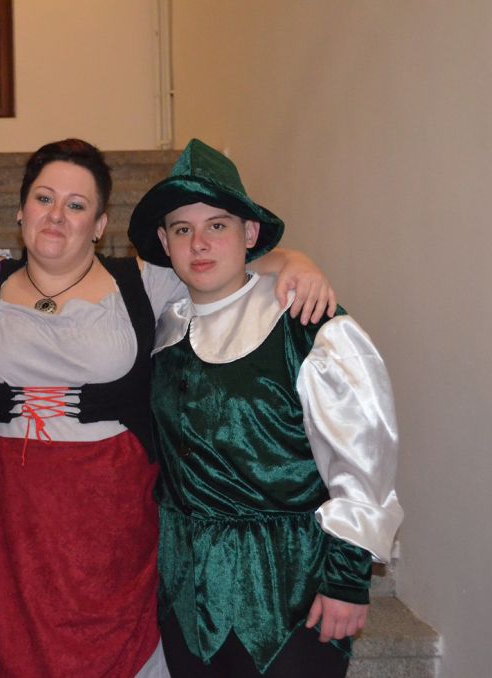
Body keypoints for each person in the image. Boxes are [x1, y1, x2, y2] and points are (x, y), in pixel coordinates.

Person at [0, 139, 337, 678]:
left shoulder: (143, 281)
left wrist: (297, 261)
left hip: (111, 508)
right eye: (44, 198)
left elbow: (226, 261)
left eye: (76, 204)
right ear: (20, 211)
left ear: (99, 224)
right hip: (10, 510)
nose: (56, 215)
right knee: (12, 640)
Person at [128, 138, 403, 677]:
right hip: (185, 591)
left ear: (249, 234)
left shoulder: (308, 326)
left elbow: (363, 461)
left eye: (217, 225)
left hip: (288, 587)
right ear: (164, 242)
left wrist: (347, 581)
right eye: (182, 229)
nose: (199, 243)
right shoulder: (164, 326)